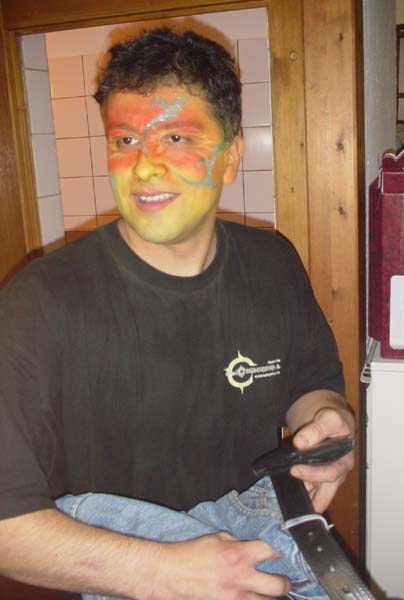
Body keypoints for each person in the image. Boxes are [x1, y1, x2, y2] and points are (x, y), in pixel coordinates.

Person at [0, 28, 355, 600]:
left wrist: (327, 421)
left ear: (231, 156)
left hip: (255, 558)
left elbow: (310, 383)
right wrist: (163, 571)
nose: (143, 168)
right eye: (124, 140)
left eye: (175, 137)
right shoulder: (37, 304)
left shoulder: (273, 262)